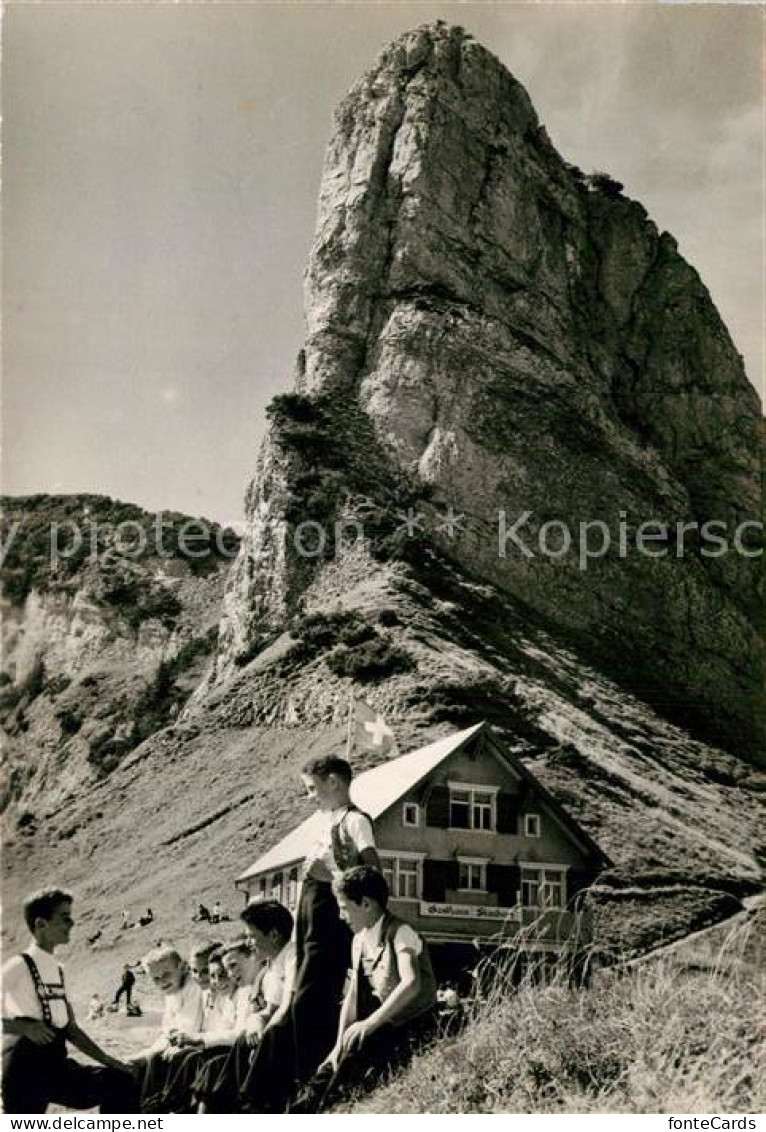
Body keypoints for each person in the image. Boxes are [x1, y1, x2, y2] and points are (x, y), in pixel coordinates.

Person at [239, 755, 379, 1112]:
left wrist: (331, 872)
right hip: (308, 926)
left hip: (330, 928)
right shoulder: (325, 821)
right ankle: (272, 1096)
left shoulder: (356, 821)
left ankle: (307, 1092)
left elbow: (371, 877)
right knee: (295, 1007)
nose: (309, 796)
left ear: (334, 782)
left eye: (312, 788)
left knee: (310, 1006)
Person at [294, 866, 437, 1112]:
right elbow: (351, 997)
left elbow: (412, 983)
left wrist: (369, 1023)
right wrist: (337, 1046)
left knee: (354, 1065)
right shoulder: (359, 940)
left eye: (344, 908)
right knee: (328, 1069)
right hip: (383, 1024)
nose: (341, 916)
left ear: (366, 904)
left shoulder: (400, 932)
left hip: (411, 1025)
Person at [1, 887, 139, 1114]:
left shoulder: (58, 970)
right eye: (65, 918)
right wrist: (21, 1026)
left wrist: (110, 1061)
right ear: (41, 925)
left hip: (56, 1066)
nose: (72, 923)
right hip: (23, 1070)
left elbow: (71, 1031)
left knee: (120, 1082)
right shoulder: (18, 965)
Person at [194, 901, 296, 1113]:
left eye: (252, 936)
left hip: (292, 1033)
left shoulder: (292, 958)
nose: (249, 942)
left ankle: (245, 1105)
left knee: (237, 1049)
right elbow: (269, 1010)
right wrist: (257, 1021)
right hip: (276, 1030)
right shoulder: (275, 963)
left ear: (274, 934)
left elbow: (285, 1009)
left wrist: (261, 1030)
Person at [131, 944, 204, 1110]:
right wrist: (149, 1052)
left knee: (158, 1060)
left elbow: (190, 1026)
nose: (162, 981)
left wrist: (156, 1050)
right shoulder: (171, 992)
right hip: (181, 1044)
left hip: (194, 1044)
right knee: (147, 1062)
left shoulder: (192, 988)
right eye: (156, 979)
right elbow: (167, 1031)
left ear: (182, 967)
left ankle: (153, 1111)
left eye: (166, 974)